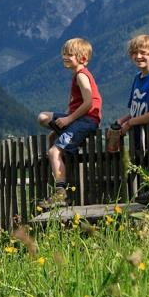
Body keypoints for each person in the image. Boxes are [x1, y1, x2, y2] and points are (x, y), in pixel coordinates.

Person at [36, 37, 102, 208]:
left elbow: (88, 103)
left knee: (53, 152)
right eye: (64, 54)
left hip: (85, 120)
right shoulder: (77, 75)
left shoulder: (81, 76)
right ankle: (61, 152)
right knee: (43, 117)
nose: (65, 57)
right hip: (77, 119)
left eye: (70, 54)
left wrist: (68, 120)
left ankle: (61, 194)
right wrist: (62, 124)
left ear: (83, 59)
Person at [107, 34, 149, 151]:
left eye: (143, 53)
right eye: (134, 53)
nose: (138, 56)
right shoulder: (138, 78)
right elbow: (136, 111)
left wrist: (130, 123)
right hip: (140, 140)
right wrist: (121, 121)